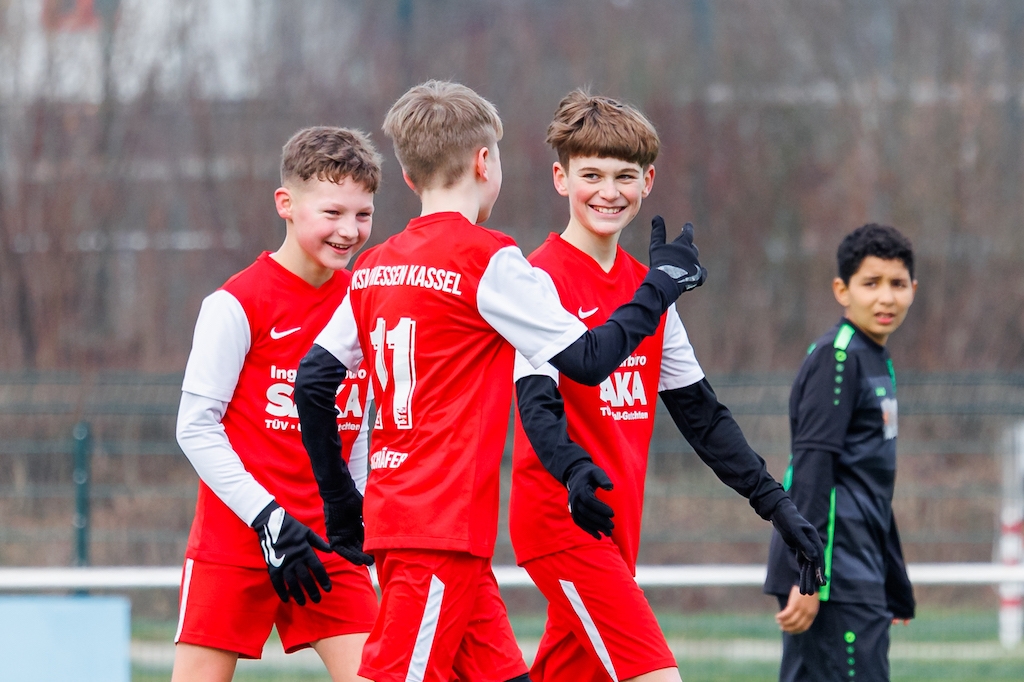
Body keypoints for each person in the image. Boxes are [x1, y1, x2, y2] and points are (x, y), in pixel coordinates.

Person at [293, 80, 710, 682]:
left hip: (429, 532)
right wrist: (660, 288)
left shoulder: (375, 265)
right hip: (437, 530)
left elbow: (313, 381)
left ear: (407, 177)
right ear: (484, 162)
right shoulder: (488, 259)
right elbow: (589, 359)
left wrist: (339, 503)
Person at [508, 90, 825, 682]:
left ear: (647, 182)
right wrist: (573, 474)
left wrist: (777, 505)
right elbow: (538, 411)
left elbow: (702, 416)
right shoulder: (535, 279)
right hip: (562, 524)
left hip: (616, 527)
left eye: (624, 176)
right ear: (560, 178)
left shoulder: (649, 286)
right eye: (591, 175)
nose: (608, 192)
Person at [171, 126, 381, 682]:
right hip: (236, 540)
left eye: (363, 214)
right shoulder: (236, 303)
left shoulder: (365, 303)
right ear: (285, 204)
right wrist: (267, 517)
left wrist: (360, 511)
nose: (349, 230)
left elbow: (357, 429)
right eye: (332, 212)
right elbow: (195, 428)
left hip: (328, 542)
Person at [764, 224, 918, 682]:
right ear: (842, 290)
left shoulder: (875, 356)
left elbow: (870, 485)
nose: (886, 297)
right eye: (871, 283)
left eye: (897, 283)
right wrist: (810, 577)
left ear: (913, 289)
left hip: (860, 572)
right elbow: (812, 470)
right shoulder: (838, 357)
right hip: (834, 576)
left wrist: (893, 579)